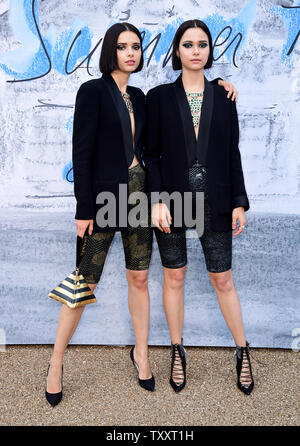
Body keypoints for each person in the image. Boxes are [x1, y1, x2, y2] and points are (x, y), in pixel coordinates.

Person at [45, 21, 239, 406]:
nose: (130, 53)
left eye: (135, 46)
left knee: (138, 278)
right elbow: (80, 154)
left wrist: (221, 86)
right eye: (122, 47)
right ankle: (55, 362)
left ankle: (142, 354)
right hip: (103, 200)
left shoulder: (140, 95)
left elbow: (179, 108)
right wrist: (83, 209)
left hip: (140, 197)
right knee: (85, 282)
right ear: (110, 52)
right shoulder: (93, 91)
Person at [143, 19, 254, 395]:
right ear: (177, 50)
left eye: (202, 44)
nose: (195, 50)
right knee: (175, 276)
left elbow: (231, 153)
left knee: (222, 278)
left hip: (218, 199)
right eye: (187, 44)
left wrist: (239, 202)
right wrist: (157, 199)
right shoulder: (157, 98)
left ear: (209, 50)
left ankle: (242, 350)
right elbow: (150, 155)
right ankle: (177, 350)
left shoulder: (225, 96)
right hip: (172, 201)